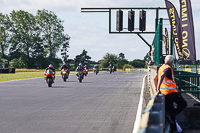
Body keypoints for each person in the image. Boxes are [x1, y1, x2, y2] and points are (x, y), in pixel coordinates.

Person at [156, 55, 187, 132]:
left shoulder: (161, 67)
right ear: (171, 61)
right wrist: (157, 88)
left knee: (170, 112)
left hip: (164, 93)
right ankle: (171, 114)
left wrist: (158, 89)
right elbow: (161, 76)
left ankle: (174, 129)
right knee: (183, 104)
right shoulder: (168, 68)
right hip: (171, 92)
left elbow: (155, 78)